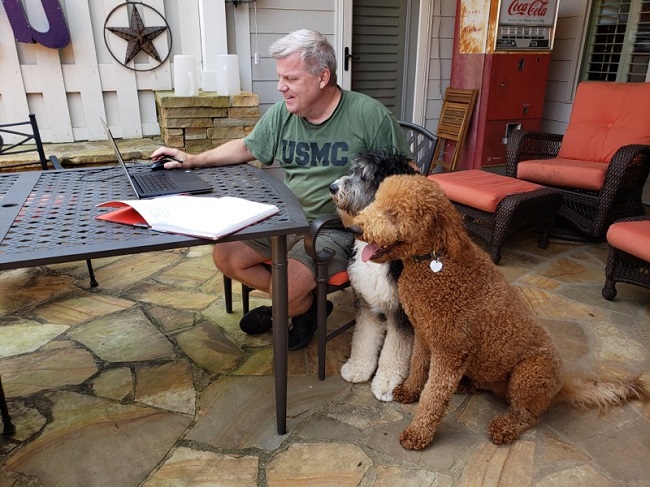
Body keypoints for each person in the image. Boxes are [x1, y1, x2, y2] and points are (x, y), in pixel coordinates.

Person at [151, 29, 411, 350]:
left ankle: (285, 304)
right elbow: (247, 147)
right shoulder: (283, 114)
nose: (280, 86)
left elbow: (406, 177)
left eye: (290, 77)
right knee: (225, 255)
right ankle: (304, 307)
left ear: (322, 77)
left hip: (335, 229)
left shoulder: (369, 116)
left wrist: (382, 229)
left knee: (286, 285)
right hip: (288, 218)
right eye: (279, 77)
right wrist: (192, 159)